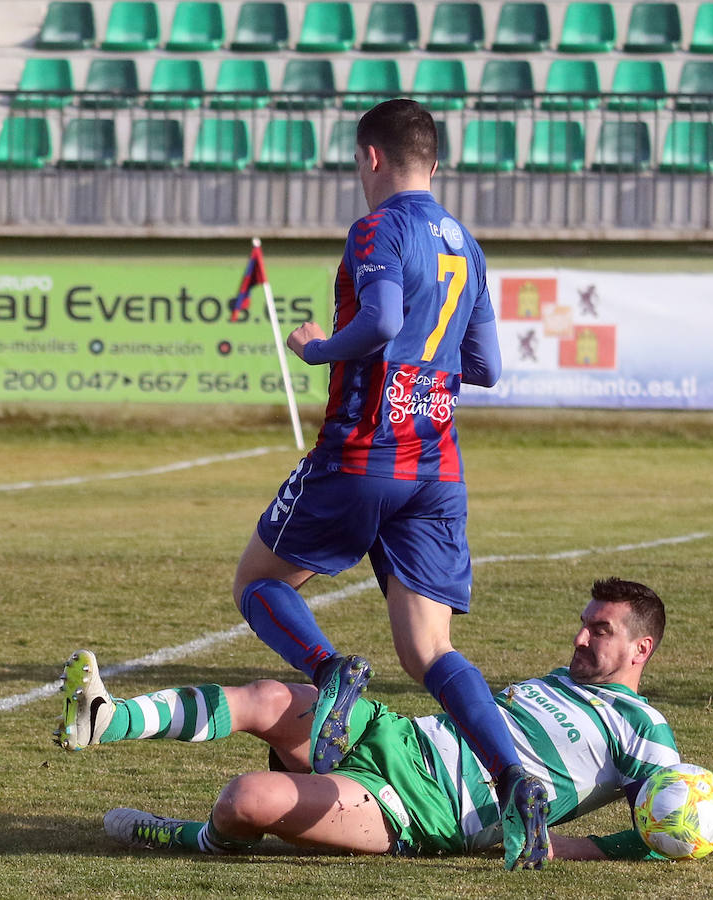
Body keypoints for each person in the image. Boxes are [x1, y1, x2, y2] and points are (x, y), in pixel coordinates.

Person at [225, 99, 551, 869]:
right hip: (436, 465)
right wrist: (427, 364)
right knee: (430, 650)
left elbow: (377, 321)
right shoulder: (467, 246)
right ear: (432, 161)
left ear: (370, 157)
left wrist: (317, 348)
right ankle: (513, 776)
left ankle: (328, 669)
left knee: (259, 583)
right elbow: (488, 370)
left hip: (366, 452)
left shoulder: (378, 228)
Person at [54, 579, 683, 863]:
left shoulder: (643, 728)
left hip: (425, 808)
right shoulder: (553, 683)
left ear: (641, 649)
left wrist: (566, 845)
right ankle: (107, 719)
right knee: (270, 696)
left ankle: (190, 838)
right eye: (583, 621)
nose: (579, 636)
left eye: (599, 629)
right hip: (402, 735)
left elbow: (666, 831)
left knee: (246, 797)